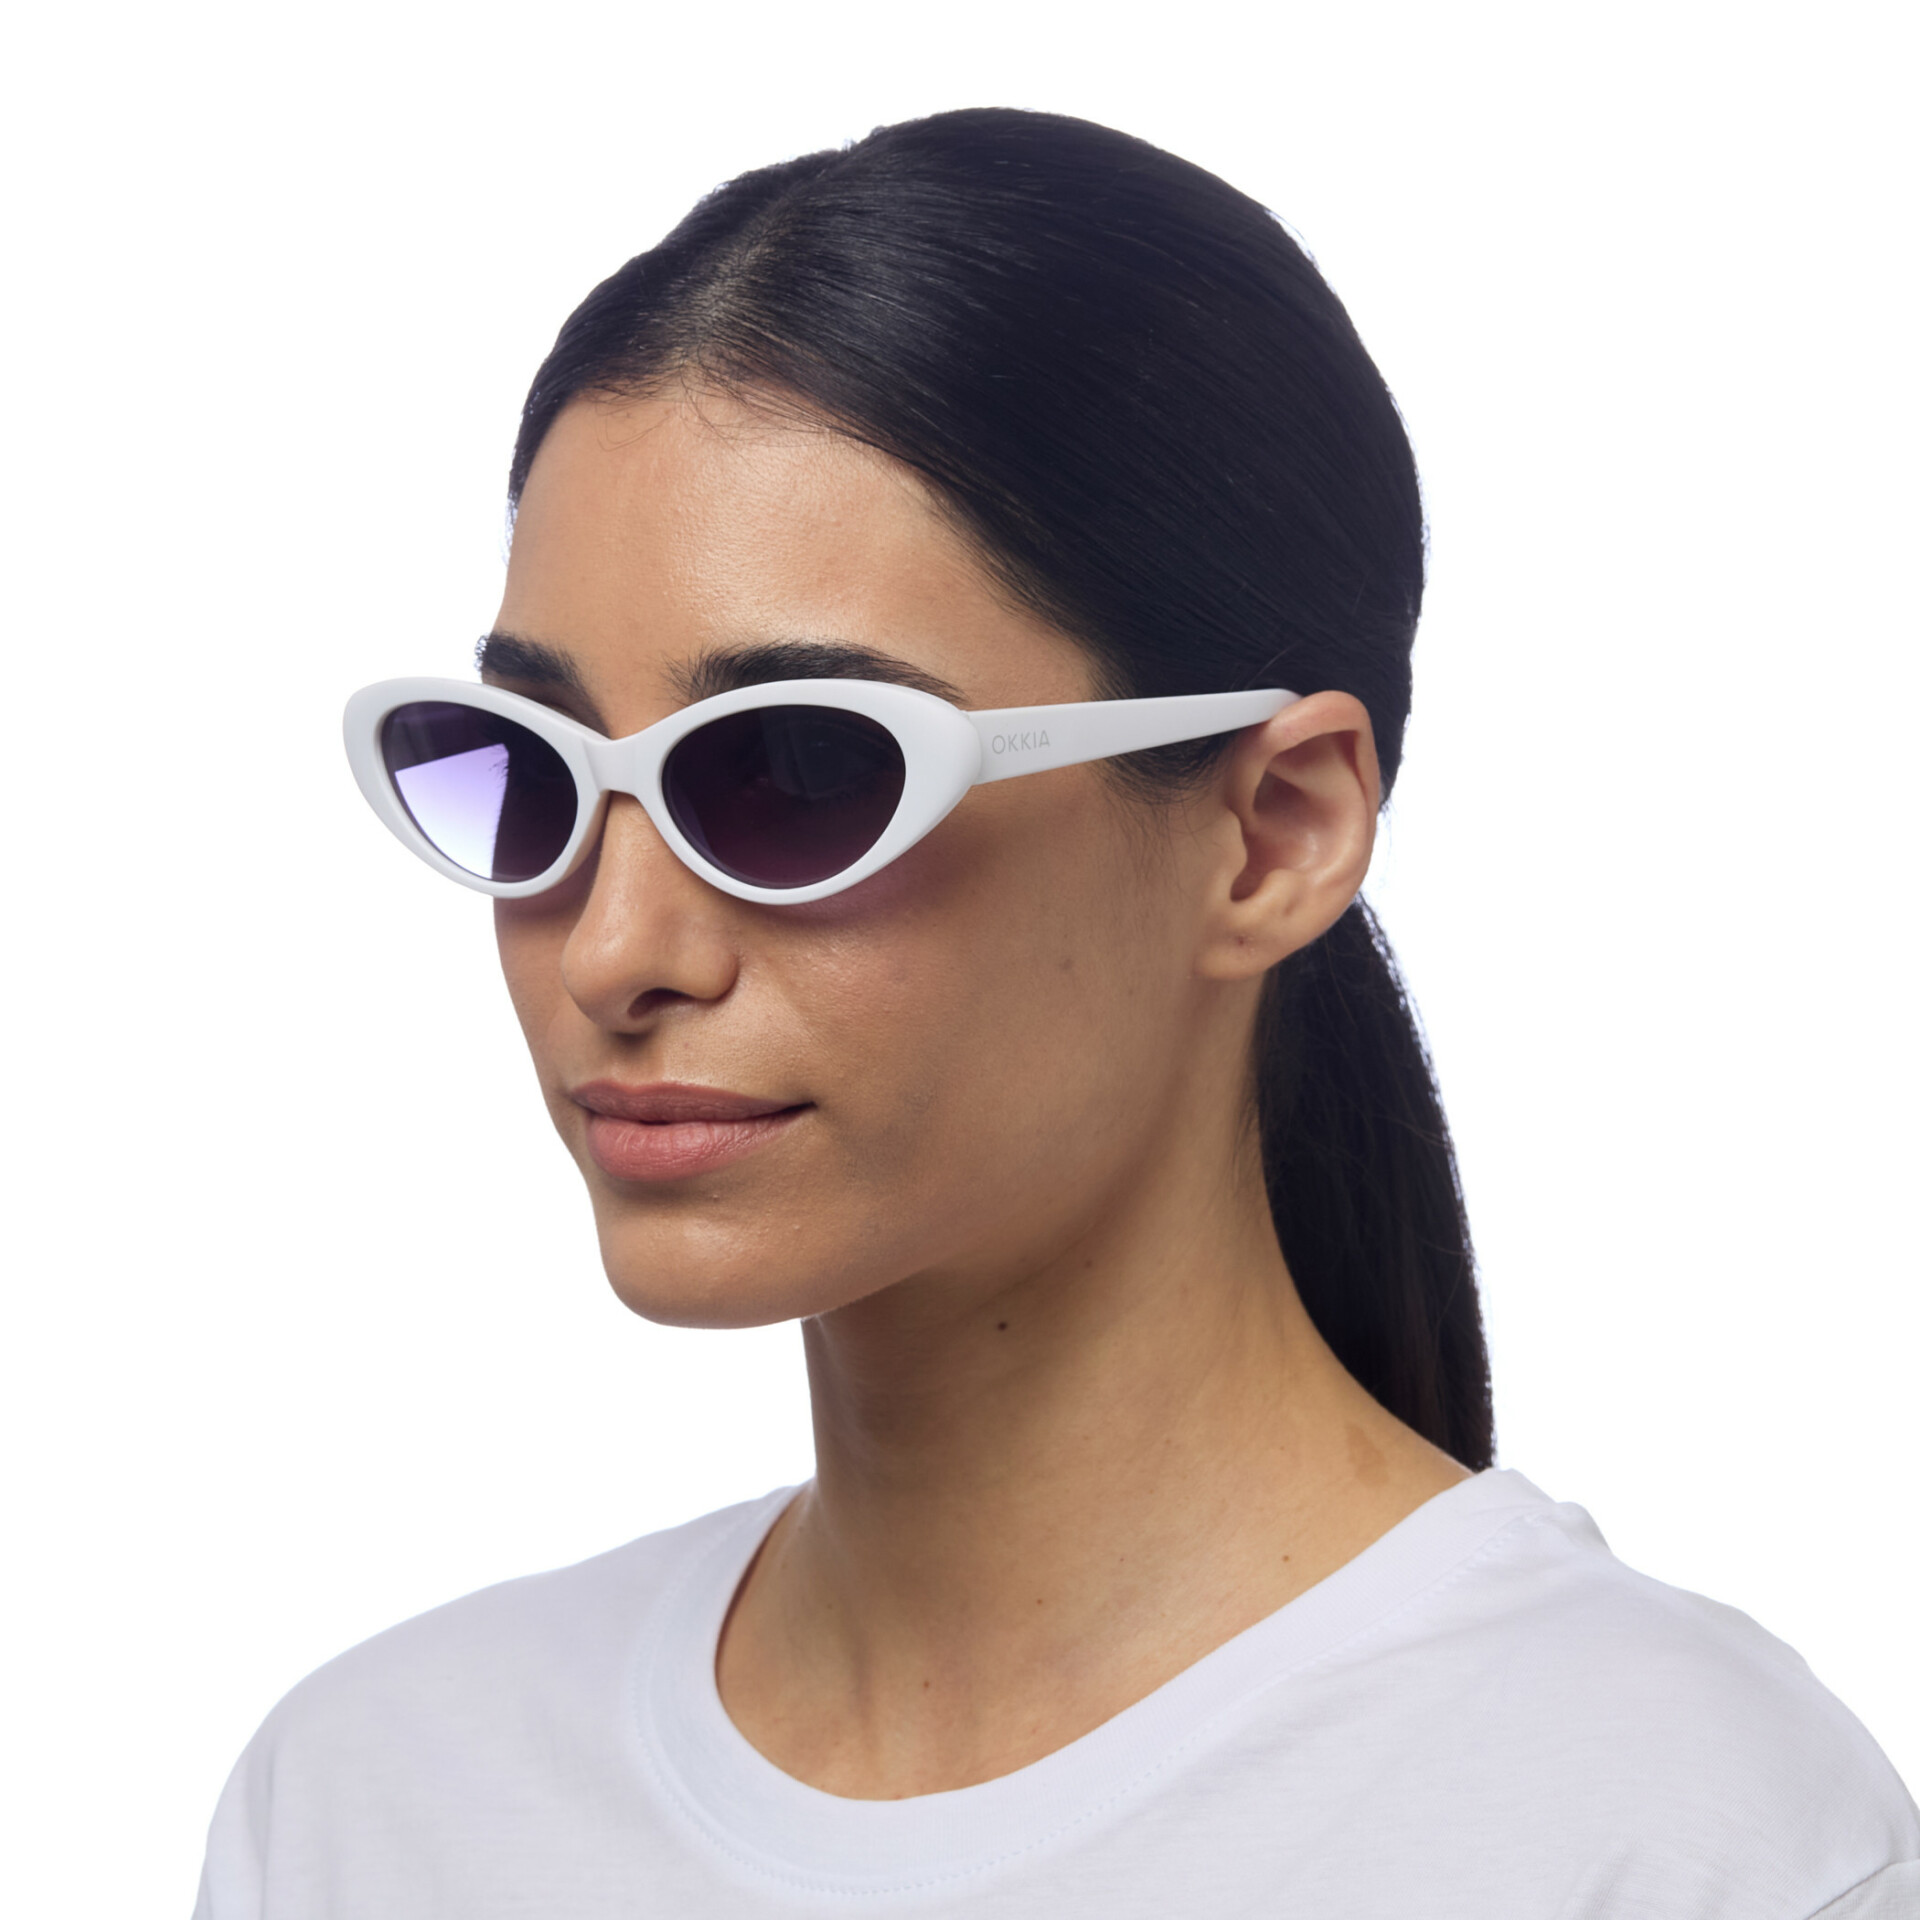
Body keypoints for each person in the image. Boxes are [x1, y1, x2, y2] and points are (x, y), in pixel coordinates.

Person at [193, 107, 1919, 1917]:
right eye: (533, 771)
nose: (614, 948)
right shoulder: (375, 1806)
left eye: (797, 770)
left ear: (1274, 832)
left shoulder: (1681, 1841)